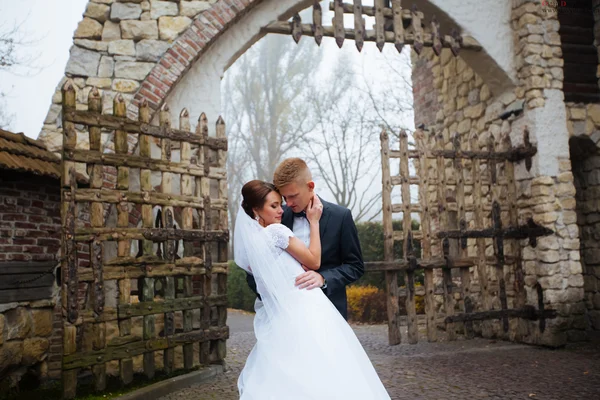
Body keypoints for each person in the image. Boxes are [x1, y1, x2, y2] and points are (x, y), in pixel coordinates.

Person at [234, 179, 390, 399]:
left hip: (281, 315)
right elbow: (315, 261)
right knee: (329, 367)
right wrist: (314, 222)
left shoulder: (252, 244)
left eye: (281, 203)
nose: (282, 209)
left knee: (293, 370)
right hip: (306, 307)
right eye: (274, 206)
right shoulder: (277, 231)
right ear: (255, 210)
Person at [245, 158, 364, 319]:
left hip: (329, 313)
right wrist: (274, 296)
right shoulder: (277, 218)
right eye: (284, 197)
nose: (289, 203)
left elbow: (355, 266)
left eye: (293, 196)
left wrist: (323, 278)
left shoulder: (341, 216)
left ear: (310, 186)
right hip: (286, 316)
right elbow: (254, 269)